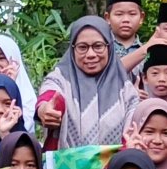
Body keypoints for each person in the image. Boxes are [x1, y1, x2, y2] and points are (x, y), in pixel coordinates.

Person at [36, 16, 139, 149]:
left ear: (109, 47)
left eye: (98, 46)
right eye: (82, 47)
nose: (90, 54)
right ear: (72, 49)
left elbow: (132, 133)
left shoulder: (126, 91)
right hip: (65, 168)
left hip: (115, 168)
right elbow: (49, 95)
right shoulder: (60, 79)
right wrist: (45, 110)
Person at [0, 32, 40, 117]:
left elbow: (25, 126)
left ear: (15, 61)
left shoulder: (27, 100)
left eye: (1, 58)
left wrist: (11, 87)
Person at [106, 0, 147, 65]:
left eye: (132, 14)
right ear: (107, 18)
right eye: (119, 14)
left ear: (141, 18)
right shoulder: (101, 49)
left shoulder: (150, 52)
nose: (126, 20)